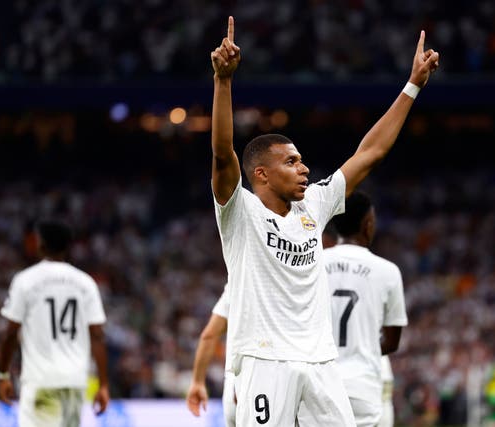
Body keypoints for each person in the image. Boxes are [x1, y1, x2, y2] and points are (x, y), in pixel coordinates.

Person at [210, 15, 438, 427]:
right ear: (260, 174)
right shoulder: (240, 212)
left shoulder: (313, 205)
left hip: (320, 360)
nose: (304, 168)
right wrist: (223, 83)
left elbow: (369, 153)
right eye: (291, 162)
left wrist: (413, 86)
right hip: (265, 359)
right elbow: (223, 154)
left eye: (302, 160)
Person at [0, 220, 109, 427]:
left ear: (41, 245)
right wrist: (103, 384)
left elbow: (10, 334)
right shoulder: (85, 283)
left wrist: (3, 374)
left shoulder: (26, 280)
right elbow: (97, 336)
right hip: (74, 381)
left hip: (41, 379)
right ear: (68, 246)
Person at [324, 191, 408, 427]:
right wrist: (362, 347)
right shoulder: (388, 271)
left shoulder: (314, 264)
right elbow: (392, 342)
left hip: (320, 382)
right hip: (363, 386)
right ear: (367, 224)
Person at [186, 284, 235, 427]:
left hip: (235, 388)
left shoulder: (237, 285)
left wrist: (198, 381)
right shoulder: (300, 281)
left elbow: (209, 335)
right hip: (282, 380)